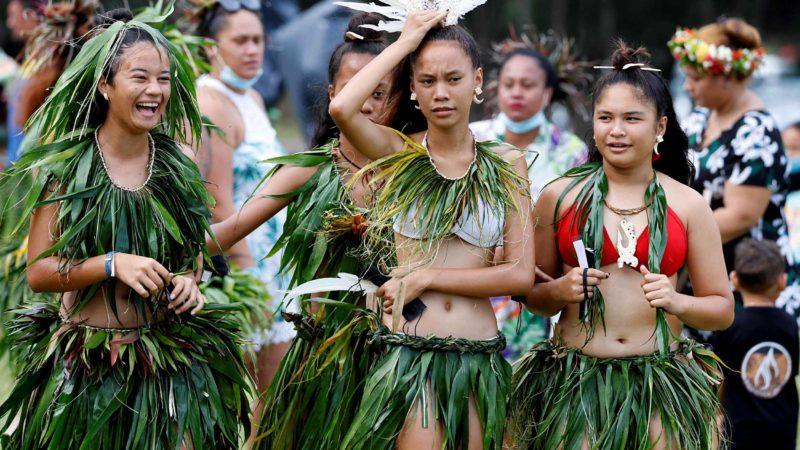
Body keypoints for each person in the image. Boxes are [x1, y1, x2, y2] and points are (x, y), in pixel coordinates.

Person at [0, 10, 251, 448]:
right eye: (140, 77)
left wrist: (190, 284)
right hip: (89, 367)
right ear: (104, 84)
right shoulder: (69, 170)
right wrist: (112, 263)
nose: (155, 90)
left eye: (164, 78)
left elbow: (189, 259)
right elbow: (39, 273)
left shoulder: (176, 166)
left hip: (161, 364)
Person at [328, 9, 535, 449]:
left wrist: (427, 276)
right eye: (427, 81)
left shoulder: (506, 163)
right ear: (414, 90)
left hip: (476, 354)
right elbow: (343, 108)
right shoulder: (398, 154)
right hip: (411, 354)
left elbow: (519, 275)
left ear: (478, 81)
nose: (441, 93)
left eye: (453, 79)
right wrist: (404, 43)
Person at [511, 43, 734, 449]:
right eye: (606, 118)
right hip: (576, 385)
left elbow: (722, 309)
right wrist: (560, 291)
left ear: (660, 127)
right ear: (593, 123)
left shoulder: (688, 204)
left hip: (658, 385)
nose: (616, 130)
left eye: (632, 118)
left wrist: (677, 301)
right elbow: (532, 295)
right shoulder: (560, 197)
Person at [205, 12, 406, 449]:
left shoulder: (411, 171)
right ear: (334, 95)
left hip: (399, 353)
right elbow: (230, 228)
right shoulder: (310, 169)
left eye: (379, 93)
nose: (366, 104)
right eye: (354, 92)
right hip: (322, 358)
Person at [670, 19, 800, 321]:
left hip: (750, 279)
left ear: (726, 77)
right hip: (702, 269)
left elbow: (740, 216)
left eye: (696, 79)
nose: (688, 87)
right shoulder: (699, 119)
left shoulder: (757, 132)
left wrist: (674, 239)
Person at [470, 34, 590, 361]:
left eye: (527, 84)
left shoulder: (571, 151)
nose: (517, 92)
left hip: (540, 287)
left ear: (547, 92)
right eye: (509, 84)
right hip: (474, 281)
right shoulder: (472, 140)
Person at [194, 0, 293, 393]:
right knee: (264, 403)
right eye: (241, 41)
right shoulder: (212, 104)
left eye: (258, 40)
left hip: (273, 262)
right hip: (244, 267)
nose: (253, 49)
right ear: (210, 48)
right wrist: (253, 286)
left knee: (277, 402)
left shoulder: (249, 97)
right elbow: (217, 205)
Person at [710, 239, 799, 450]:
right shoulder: (789, 323)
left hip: (739, 429)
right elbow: (788, 371)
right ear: (782, 281)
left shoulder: (729, 325)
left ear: (735, 280)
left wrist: (716, 411)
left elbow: (719, 375)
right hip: (782, 428)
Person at [4, 0, 43, 163]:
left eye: (13, 16)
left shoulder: (49, 63)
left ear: (31, 15)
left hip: (29, 168)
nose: (10, 23)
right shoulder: (30, 60)